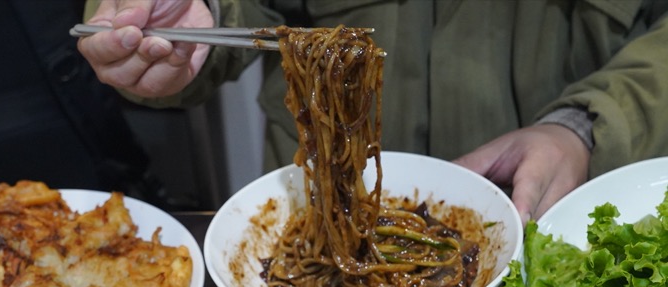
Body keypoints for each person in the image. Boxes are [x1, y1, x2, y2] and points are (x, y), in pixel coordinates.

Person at [76, 0, 668, 223]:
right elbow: (240, 8)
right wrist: (184, 22)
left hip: (548, 208)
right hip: (310, 212)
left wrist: (584, 125)